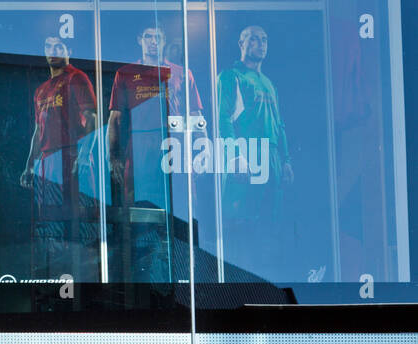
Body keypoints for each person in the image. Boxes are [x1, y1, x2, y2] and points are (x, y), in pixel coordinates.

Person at [107, 25, 203, 283]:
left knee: (179, 221)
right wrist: (113, 157)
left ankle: (183, 280)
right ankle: (139, 284)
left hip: (175, 157)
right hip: (140, 159)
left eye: (157, 37)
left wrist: (201, 151)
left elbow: (195, 116)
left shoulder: (181, 73)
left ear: (163, 41)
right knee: (139, 222)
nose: (152, 42)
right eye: (148, 36)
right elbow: (115, 119)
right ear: (140, 39)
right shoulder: (125, 74)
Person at [217, 25, 293, 278]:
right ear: (241, 43)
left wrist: (286, 160)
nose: (260, 43)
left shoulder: (269, 83)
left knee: (270, 223)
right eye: (254, 39)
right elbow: (223, 118)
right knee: (241, 225)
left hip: (271, 157)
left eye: (264, 39)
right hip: (247, 154)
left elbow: (279, 124)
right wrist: (235, 155)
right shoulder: (231, 76)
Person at [18, 37, 97, 280]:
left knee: (80, 220)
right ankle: (57, 278)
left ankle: (86, 282)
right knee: (50, 222)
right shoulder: (41, 90)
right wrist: (29, 164)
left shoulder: (76, 78)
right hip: (47, 162)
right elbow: (36, 129)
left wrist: (84, 155)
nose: (53, 52)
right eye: (49, 47)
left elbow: (92, 117)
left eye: (59, 47)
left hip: (71, 157)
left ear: (69, 51)